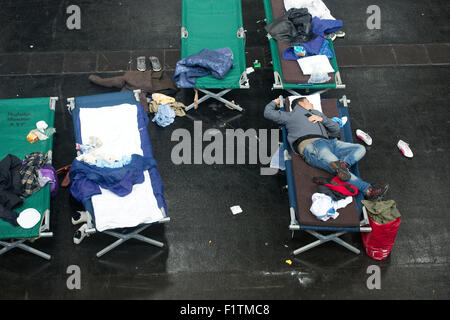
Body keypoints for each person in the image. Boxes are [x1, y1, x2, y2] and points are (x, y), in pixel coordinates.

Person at [264, 97, 388, 200]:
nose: (312, 103)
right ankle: (368, 190)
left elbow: (336, 129)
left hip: (331, 143)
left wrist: (322, 119)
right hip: (312, 146)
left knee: (361, 148)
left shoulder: (317, 113)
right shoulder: (290, 116)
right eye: (309, 101)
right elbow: (268, 113)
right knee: (337, 166)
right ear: (301, 103)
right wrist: (275, 102)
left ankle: (343, 164)